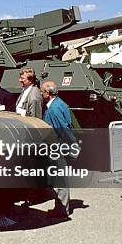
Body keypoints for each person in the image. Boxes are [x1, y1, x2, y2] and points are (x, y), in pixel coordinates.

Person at [41, 80, 72, 218]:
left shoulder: (53, 109)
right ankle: (60, 207)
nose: (41, 94)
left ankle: (62, 210)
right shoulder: (60, 103)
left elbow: (64, 128)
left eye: (42, 92)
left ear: (48, 93)